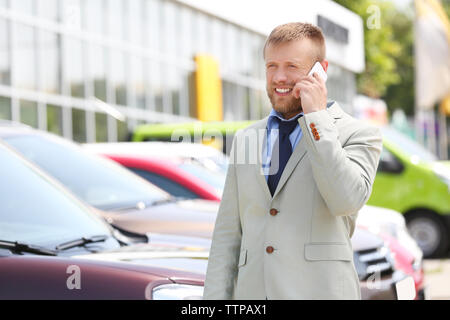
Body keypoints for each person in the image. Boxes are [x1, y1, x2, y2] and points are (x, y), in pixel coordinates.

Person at [203, 22, 382, 300]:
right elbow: (227, 237)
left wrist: (317, 121)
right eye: (272, 66)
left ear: (321, 70)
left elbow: (345, 200)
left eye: (292, 66)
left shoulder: (358, 134)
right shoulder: (246, 138)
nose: (279, 77)